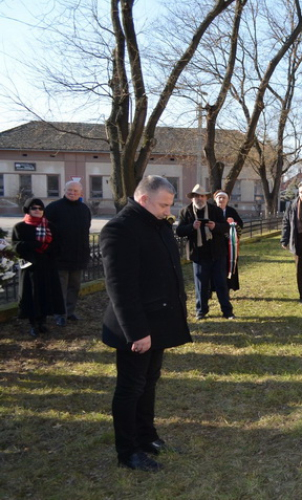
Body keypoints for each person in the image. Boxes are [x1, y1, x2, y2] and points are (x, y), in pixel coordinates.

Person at [100, 175, 192, 472]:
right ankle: (128, 451)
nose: (169, 210)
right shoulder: (120, 229)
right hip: (136, 328)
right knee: (130, 388)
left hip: (159, 321)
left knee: (149, 383)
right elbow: (120, 287)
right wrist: (137, 333)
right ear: (143, 200)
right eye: (164, 205)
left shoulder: (156, 224)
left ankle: (147, 436)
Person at [176, 184, 234, 320]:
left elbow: (226, 227)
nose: (199, 198)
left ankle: (227, 311)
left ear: (206, 198)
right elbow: (179, 231)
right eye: (196, 196)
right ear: (192, 198)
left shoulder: (215, 210)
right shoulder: (186, 211)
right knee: (201, 285)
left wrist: (215, 226)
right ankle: (201, 311)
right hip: (199, 255)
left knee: (221, 284)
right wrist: (192, 227)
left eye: (202, 196)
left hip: (217, 253)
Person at [11, 198, 65, 337]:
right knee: (32, 295)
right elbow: (15, 246)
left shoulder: (50, 226)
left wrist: (48, 249)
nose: (37, 211)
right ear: (28, 210)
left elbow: (58, 245)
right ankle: (33, 324)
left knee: (46, 294)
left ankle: (42, 322)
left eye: (40, 208)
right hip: (30, 267)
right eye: (34, 208)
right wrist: (33, 245)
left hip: (47, 266)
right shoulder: (20, 227)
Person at [44, 180, 91, 326]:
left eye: (75, 191)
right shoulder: (53, 208)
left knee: (74, 286)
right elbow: (45, 230)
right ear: (64, 190)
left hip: (78, 255)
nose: (72, 193)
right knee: (60, 287)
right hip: (59, 256)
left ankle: (69, 311)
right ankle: (59, 314)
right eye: (69, 190)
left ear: (81, 193)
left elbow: (85, 231)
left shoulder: (84, 209)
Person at [213, 190, 244, 292]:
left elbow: (240, 225)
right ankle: (214, 288)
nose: (221, 199)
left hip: (229, 245)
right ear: (215, 199)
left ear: (227, 200)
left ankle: (228, 288)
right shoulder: (211, 210)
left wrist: (233, 223)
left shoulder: (231, 211)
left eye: (223, 198)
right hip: (215, 244)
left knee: (229, 265)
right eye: (219, 197)